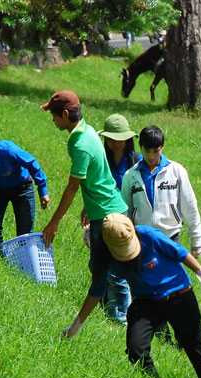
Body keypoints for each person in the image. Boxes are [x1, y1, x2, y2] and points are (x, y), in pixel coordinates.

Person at [63, 213, 201, 378]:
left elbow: (180, 253)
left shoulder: (149, 235)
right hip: (146, 302)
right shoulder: (103, 254)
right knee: (135, 350)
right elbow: (97, 290)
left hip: (179, 295)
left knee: (197, 352)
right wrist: (75, 326)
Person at [40, 91, 129, 325]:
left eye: (54, 115)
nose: (53, 120)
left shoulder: (81, 145)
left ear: (66, 114)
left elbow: (71, 188)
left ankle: (121, 321)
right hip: (105, 208)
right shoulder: (86, 131)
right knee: (98, 268)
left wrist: (54, 222)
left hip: (109, 216)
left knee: (113, 273)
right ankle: (105, 314)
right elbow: (97, 176)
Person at [80, 113, 139, 324]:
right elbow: (93, 185)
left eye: (120, 138)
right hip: (100, 215)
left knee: (118, 270)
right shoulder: (100, 158)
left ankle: (122, 317)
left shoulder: (136, 161)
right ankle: (107, 306)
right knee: (96, 265)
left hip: (126, 220)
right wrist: (86, 208)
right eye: (112, 138)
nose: (116, 143)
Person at [121, 125, 201, 258]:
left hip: (170, 237)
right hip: (142, 239)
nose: (151, 156)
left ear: (163, 147)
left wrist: (197, 239)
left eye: (156, 151)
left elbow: (189, 205)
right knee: (145, 278)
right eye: (147, 151)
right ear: (140, 146)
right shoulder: (130, 176)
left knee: (171, 278)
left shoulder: (176, 171)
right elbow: (126, 211)